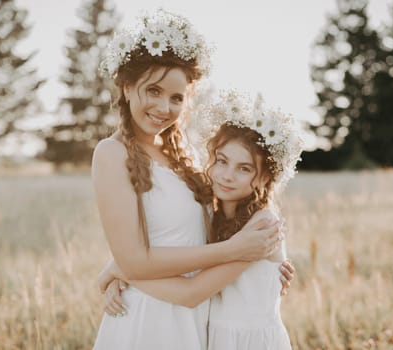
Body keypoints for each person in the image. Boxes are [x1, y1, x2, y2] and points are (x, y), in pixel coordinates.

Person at [92, 10, 293, 350]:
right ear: (126, 87)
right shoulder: (112, 153)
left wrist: (266, 268)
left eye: (176, 97)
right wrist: (234, 251)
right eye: (153, 90)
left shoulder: (181, 155)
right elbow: (135, 259)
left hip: (198, 317)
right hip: (151, 320)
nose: (163, 107)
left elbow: (192, 234)